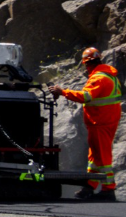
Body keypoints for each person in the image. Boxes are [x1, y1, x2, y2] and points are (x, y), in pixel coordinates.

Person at [49, 47, 120, 201]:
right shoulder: (109, 76)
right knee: (94, 157)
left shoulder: (98, 78)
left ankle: (108, 189)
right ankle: (90, 186)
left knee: (102, 157)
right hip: (104, 121)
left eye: (86, 66)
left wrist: (63, 92)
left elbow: (86, 96)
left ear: (88, 64)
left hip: (101, 122)